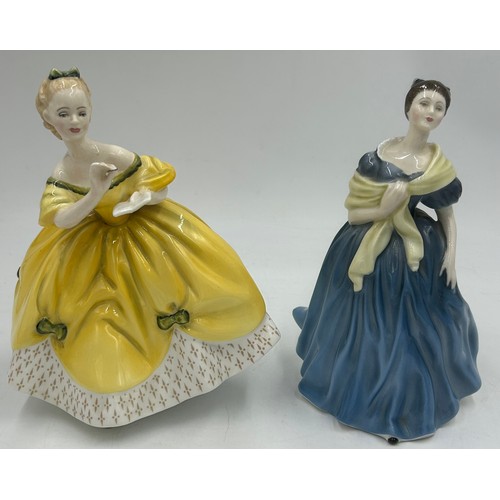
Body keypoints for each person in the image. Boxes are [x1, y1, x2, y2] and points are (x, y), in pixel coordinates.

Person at [9, 68, 280, 427]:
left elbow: (158, 184)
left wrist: (142, 198)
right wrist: (95, 193)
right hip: (88, 246)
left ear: (90, 111)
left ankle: (187, 369)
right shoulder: (62, 172)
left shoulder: (112, 154)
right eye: (64, 114)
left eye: (81, 112)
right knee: (98, 315)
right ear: (48, 119)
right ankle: (113, 391)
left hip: (141, 233)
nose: (74, 121)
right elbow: (61, 219)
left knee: (182, 283)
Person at [293, 79, 481, 442]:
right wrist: (383, 209)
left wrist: (451, 256)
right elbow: (354, 215)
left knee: (417, 324)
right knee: (362, 319)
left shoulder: (437, 167)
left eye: (439, 107)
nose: (430, 111)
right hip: (366, 242)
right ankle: (356, 379)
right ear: (408, 107)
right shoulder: (375, 159)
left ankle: (409, 388)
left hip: (418, 252)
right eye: (424, 103)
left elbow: (447, 216)